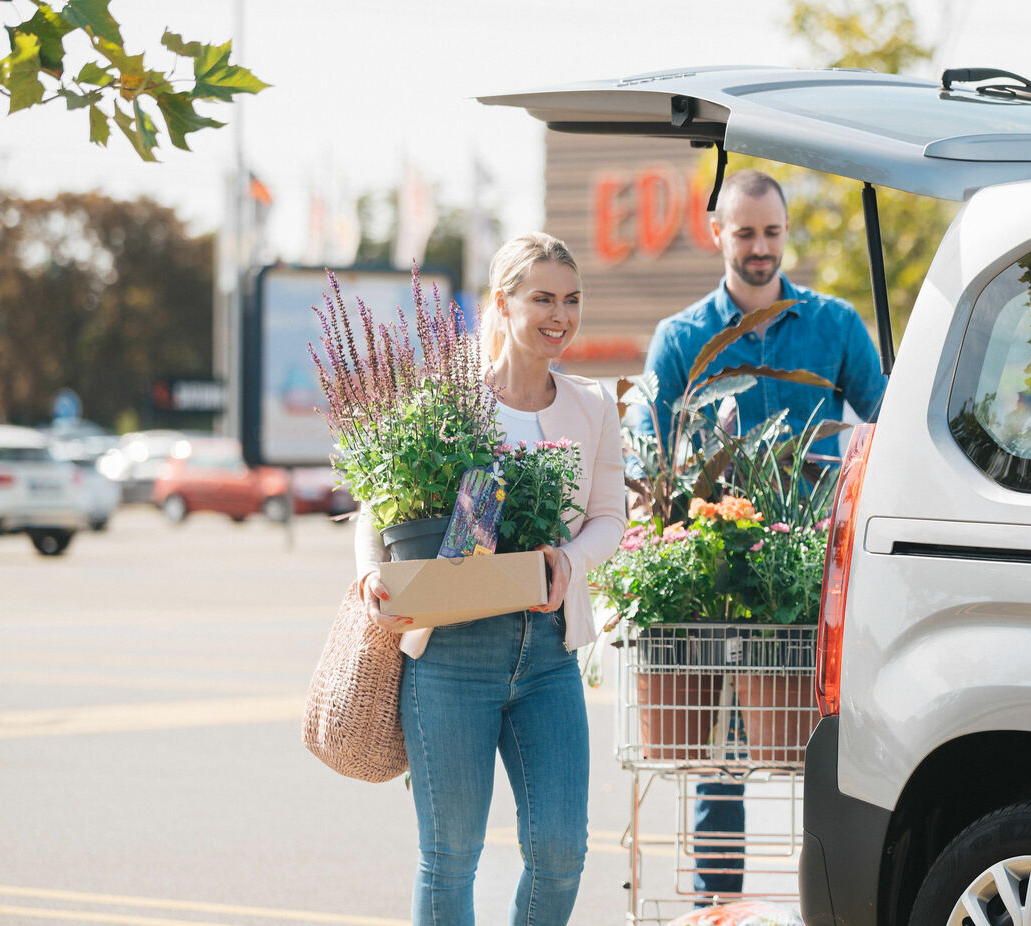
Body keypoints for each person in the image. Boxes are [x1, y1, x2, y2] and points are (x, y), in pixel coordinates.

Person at [357, 232, 626, 926]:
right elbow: (374, 507)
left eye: (571, 299)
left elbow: (608, 518)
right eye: (542, 298)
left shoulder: (593, 405)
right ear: (503, 304)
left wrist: (570, 561)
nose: (559, 315)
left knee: (562, 850)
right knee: (450, 855)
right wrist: (369, 577)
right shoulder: (448, 397)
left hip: (547, 652)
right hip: (450, 653)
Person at [632, 169, 886, 898]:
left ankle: (834, 906)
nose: (760, 248)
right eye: (744, 233)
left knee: (835, 761)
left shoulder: (834, 327)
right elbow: (646, 445)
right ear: (718, 234)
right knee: (722, 764)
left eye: (772, 232)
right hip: (725, 570)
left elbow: (888, 419)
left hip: (817, 572)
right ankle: (720, 908)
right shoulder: (681, 340)